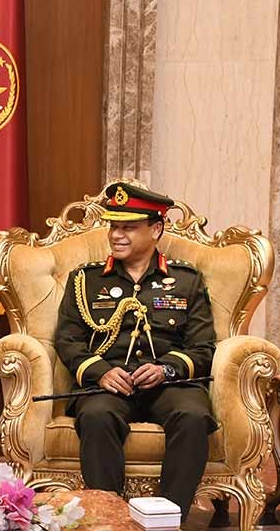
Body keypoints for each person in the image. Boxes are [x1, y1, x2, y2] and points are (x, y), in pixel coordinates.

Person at [54, 182, 216, 519]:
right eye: (114, 226)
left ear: (156, 229)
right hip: (110, 383)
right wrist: (101, 372)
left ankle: (169, 520)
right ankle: (110, 520)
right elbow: (68, 340)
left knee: (194, 416)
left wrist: (166, 369)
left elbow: (202, 347)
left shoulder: (187, 281)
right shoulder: (85, 280)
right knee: (97, 415)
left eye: (128, 227)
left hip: (168, 385)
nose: (116, 235)